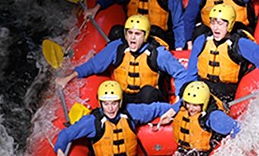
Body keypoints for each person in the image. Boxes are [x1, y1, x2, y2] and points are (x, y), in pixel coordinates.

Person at [54, 80, 174, 156]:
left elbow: (156, 108)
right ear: (101, 104)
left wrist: (173, 109)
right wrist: (59, 150)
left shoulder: (131, 112)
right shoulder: (92, 121)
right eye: (106, 104)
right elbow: (67, 133)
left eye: (114, 103)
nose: (110, 108)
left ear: (120, 102)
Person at [56, 14, 194, 104]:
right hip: (124, 97)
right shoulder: (117, 47)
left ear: (145, 36)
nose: (132, 38)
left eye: (137, 34)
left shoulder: (158, 53)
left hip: (150, 99)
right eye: (130, 33)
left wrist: (179, 100)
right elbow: (94, 64)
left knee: (148, 93)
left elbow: (180, 73)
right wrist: (68, 78)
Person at [131, 80, 241, 156]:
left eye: (195, 105)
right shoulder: (186, 105)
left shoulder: (214, 117)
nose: (190, 108)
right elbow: (180, 104)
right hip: (185, 149)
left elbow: (237, 130)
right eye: (188, 104)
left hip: (204, 152)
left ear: (204, 104)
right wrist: (170, 113)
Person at [186, 3, 259, 102]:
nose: (216, 28)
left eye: (220, 24)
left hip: (225, 91)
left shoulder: (240, 43)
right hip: (201, 87)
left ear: (229, 24)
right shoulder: (201, 41)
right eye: (213, 23)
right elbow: (191, 73)